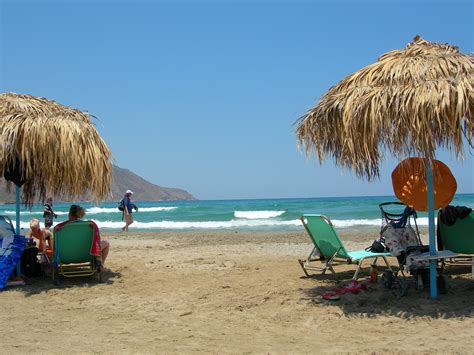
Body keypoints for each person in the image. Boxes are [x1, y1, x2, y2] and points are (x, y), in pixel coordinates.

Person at [55, 205, 110, 272]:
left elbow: (56, 242)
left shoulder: (59, 227)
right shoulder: (89, 225)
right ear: (79, 214)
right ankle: (100, 266)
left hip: (65, 256)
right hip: (87, 254)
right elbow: (96, 241)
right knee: (106, 243)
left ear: (69, 213)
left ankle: (99, 266)